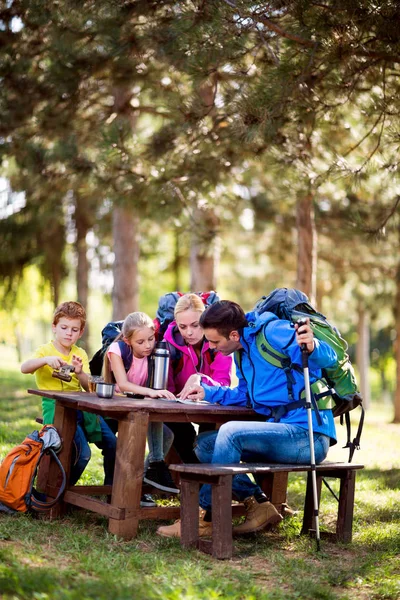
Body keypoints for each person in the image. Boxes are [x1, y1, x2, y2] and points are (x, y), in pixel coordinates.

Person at [157, 299, 337, 538]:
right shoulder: (242, 353)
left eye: (214, 341)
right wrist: (208, 392)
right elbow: (245, 396)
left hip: (308, 435)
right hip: (282, 431)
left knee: (230, 433)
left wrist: (313, 345)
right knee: (205, 444)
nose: (210, 347)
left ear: (233, 334)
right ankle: (259, 505)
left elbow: (329, 357)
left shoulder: (274, 332)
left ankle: (204, 517)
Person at [21, 301, 117, 488]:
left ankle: (110, 492)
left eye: (74, 329)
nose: (68, 333)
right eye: (64, 327)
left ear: (80, 333)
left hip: (82, 408)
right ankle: (61, 492)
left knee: (114, 444)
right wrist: (45, 361)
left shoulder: (79, 352)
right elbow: (24, 368)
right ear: (54, 327)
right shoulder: (45, 351)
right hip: (57, 409)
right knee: (82, 455)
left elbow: (87, 386)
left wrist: (80, 372)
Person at [103, 311, 178, 498]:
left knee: (167, 435)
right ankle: (141, 480)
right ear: (128, 341)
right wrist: (151, 392)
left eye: (151, 339)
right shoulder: (117, 350)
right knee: (132, 440)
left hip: (137, 405)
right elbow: (123, 384)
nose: (147, 345)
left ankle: (144, 479)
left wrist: (155, 393)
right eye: (141, 342)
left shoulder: (154, 353)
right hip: (114, 406)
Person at [162, 293, 233, 463]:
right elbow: (167, 389)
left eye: (195, 325)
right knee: (182, 434)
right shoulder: (169, 343)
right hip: (179, 408)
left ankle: (207, 484)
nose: (189, 332)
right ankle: (202, 483)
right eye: (183, 326)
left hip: (210, 405)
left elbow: (223, 383)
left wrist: (199, 379)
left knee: (208, 436)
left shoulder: (219, 341)